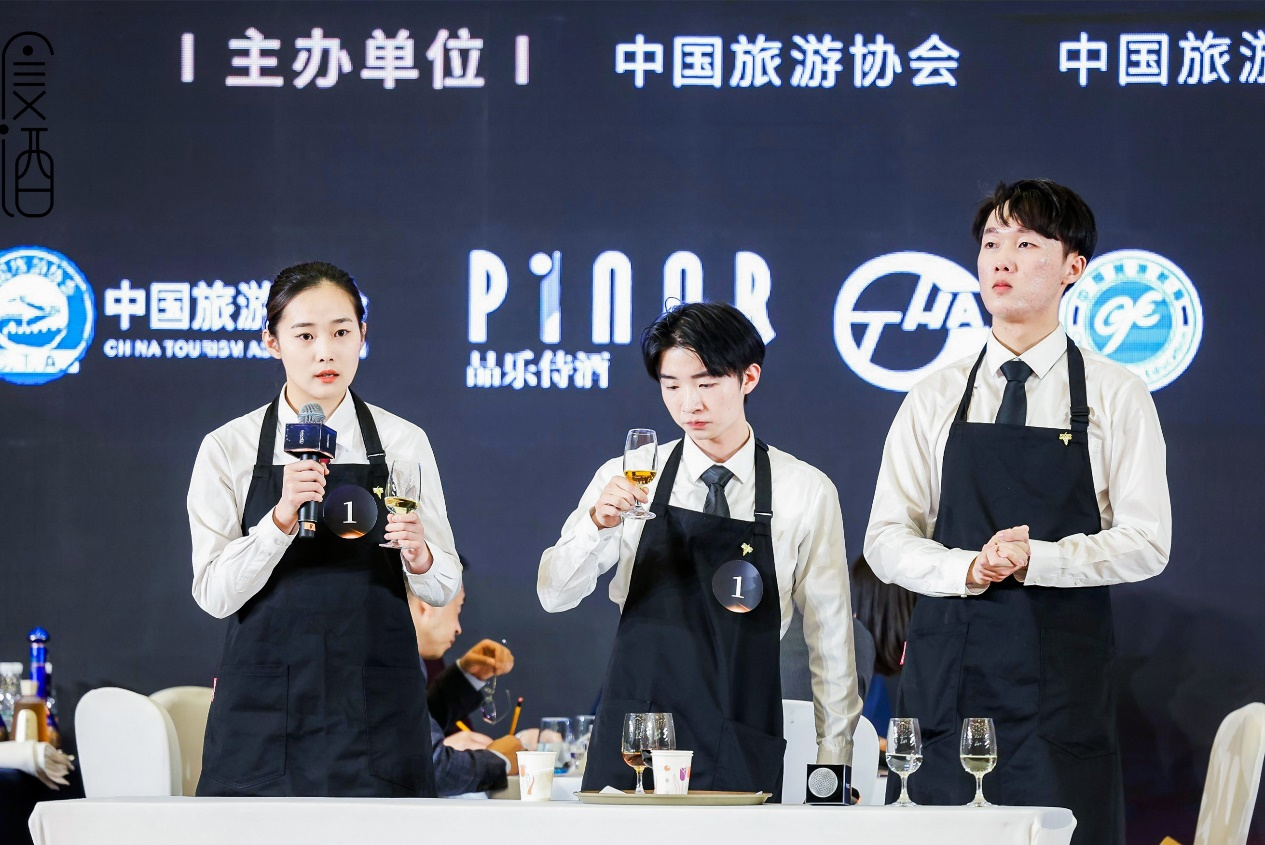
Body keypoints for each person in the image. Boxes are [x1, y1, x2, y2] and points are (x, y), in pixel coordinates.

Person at [864, 180, 1171, 842]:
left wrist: (1040, 558)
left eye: (1026, 243)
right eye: (991, 243)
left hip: (1059, 685)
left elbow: (1147, 541)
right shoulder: (933, 395)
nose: (1001, 259)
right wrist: (968, 568)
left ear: (1072, 267)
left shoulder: (1116, 394)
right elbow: (886, 537)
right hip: (947, 677)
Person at [539, 302, 862, 797]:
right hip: (636, 733)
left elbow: (831, 636)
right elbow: (554, 595)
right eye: (671, 386)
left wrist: (833, 764)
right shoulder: (626, 476)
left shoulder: (805, 490)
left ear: (749, 377)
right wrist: (596, 525)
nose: (689, 403)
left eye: (706, 384)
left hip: (739, 728)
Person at [188, 261, 462, 797]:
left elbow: (443, 584)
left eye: (341, 333)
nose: (325, 353)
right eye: (305, 335)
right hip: (266, 712)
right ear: (271, 342)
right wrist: (280, 519)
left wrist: (420, 556)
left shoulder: (402, 442)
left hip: (377, 710)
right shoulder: (228, 447)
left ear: (363, 336)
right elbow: (214, 595)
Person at [407, 586, 523, 796]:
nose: (458, 628)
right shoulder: (392, 663)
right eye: (457, 608)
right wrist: (499, 761)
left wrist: (467, 675)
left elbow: (411, 727)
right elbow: (430, 767)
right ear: (427, 605)